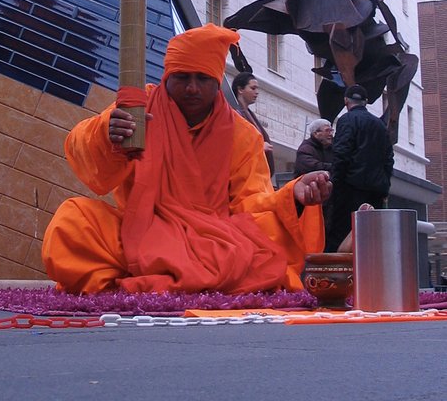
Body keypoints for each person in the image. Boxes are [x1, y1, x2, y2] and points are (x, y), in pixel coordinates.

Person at [42, 24, 332, 295]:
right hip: (140, 233)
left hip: (216, 241)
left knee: (270, 233)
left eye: (203, 79)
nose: (192, 88)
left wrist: (291, 196)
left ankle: (142, 281)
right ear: (167, 77)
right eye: (182, 78)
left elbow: (250, 202)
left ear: (217, 83)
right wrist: (107, 133)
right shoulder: (139, 109)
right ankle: (186, 279)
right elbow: (84, 155)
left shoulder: (243, 134)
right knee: (71, 222)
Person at [325, 85, 394, 252]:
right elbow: (388, 159)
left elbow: (341, 154)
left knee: (341, 234)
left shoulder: (346, 120)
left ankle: (340, 277)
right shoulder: (379, 125)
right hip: (375, 191)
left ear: (346, 101)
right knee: (369, 239)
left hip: (350, 189)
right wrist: (384, 186)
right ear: (366, 102)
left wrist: (335, 184)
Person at [231, 72, 275, 177]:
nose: (257, 92)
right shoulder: (234, 113)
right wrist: (259, 147)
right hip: (243, 174)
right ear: (240, 90)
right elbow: (238, 143)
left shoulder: (248, 114)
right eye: (253, 88)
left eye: (257, 89)